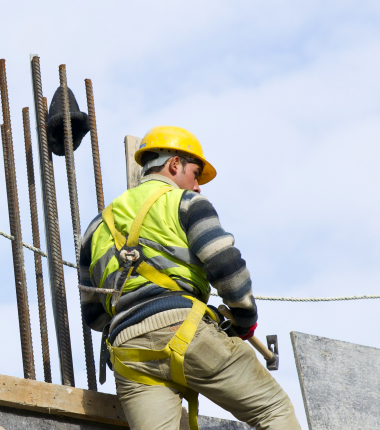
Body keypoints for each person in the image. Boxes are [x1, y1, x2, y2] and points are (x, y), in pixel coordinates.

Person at [77, 126, 299, 429]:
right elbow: (226, 266)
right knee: (274, 411)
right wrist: (245, 320)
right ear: (174, 164)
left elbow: (93, 315)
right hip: (185, 328)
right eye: (196, 174)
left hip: (128, 352)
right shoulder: (186, 203)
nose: (197, 187)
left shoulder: (94, 229)